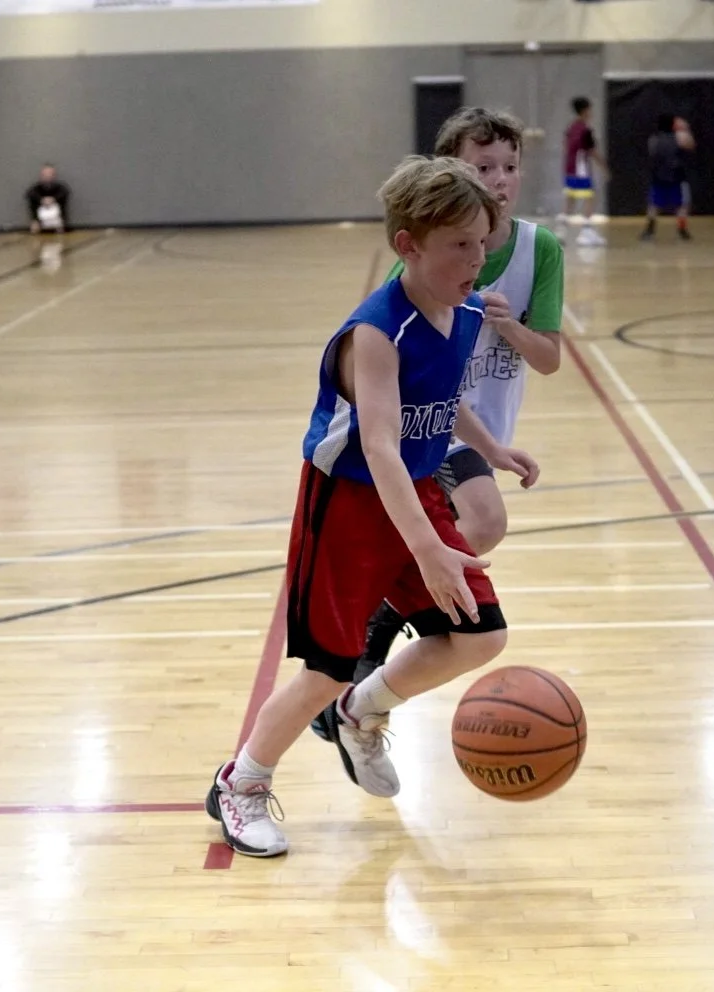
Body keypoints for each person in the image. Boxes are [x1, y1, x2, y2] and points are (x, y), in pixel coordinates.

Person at [205, 156, 540, 857]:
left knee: (480, 635)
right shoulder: (377, 333)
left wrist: (495, 448)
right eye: (459, 245)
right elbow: (381, 445)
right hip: (350, 504)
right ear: (408, 246)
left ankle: (364, 709)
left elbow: (444, 405)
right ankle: (241, 782)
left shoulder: (468, 309)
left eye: (483, 242)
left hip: (413, 493)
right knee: (326, 664)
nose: (478, 259)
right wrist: (426, 549)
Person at [309, 106, 564, 742]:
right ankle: (376, 636)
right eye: (483, 168)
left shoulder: (540, 250)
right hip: (428, 423)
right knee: (482, 524)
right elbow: (388, 347)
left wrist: (504, 322)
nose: (500, 179)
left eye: (510, 167)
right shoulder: (423, 261)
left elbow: (550, 359)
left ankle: (376, 645)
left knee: (465, 543)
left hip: (474, 422)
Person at [563, 97, 608, 247]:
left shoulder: (571, 127)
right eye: (590, 109)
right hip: (581, 169)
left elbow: (566, 145)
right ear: (585, 110)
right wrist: (604, 167)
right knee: (589, 198)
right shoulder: (586, 130)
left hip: (569, 168)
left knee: (570, 199)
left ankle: (561, 232)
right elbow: (593, 151)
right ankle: (586, 233)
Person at [641, 114, 693, 241]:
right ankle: (682, 230)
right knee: (682, 204)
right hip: (677, 176)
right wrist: (685, 128)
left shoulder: (653, 139)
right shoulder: (680, 136)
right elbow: (691, 145)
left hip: (658, 176)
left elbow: (652, 154)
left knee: (654, 204)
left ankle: (650, 230)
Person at [26, 164, 71, 234]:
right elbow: (30, 194)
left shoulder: (60, 187)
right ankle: (36, 223)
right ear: (41, 175)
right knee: (34, 229)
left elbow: (65, 192)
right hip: (40, 218)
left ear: (54, 175)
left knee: (61, 228)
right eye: (45, 174)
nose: (48, 176)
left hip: (57, 218)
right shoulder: (36, 188)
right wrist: (41, 200)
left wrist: (53, 199)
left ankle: (59, 224)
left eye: (50, 174)